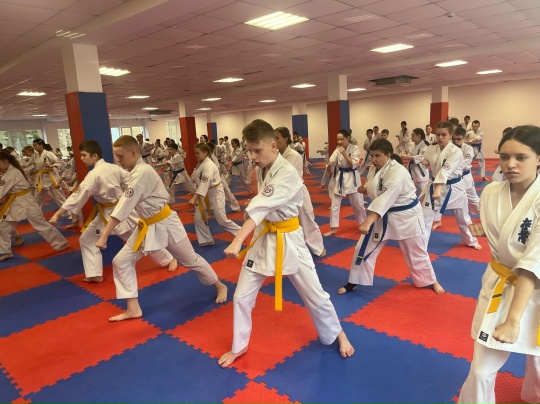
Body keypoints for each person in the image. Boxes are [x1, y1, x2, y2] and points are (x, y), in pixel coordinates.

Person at [219, 119, 354, 368]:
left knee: (316, 296)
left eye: (257, 150)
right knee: (241, 297)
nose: (252, 156)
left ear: (273, 145)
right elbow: (262, 207)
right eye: (250, 150)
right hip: (263, 236)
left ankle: (339, 334)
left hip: (289, 240)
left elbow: (261, 206)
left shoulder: (287, 173)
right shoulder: (262, 168)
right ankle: (239, 346)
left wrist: (238, 240)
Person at [95, 135, 228, 322]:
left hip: (165, 223)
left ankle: (220, 285)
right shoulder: (133, 171)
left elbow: (124, 204)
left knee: (190, 260)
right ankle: (133, 308)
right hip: (147, 225)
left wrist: (105, 234)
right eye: (116, 156)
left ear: (133, 153)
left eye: (120, 156)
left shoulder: (142, 172)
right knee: (121, 261)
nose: (118, 160)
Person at [458, 125, 540, 404]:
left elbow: (532, 263)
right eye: (504, 157)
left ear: (539, 158)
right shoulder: (492, 192)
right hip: (499, 283)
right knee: (481, 369)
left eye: (521, 157)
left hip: (535, 284)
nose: (510, 164)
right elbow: (507, 234)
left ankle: (534, 394)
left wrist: (513, 320)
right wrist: (490, 231)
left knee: (538, 358)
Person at [49, 140, 176, 283]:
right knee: (86, 239)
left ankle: (169, 259)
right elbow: (128, 181)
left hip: (121, 213)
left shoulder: (94, 174)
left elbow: (77, 196)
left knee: (142, 240)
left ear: (94, 156)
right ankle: (94, 273)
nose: (81, 158)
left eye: (84, 155)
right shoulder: (113, 168)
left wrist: (57, 214)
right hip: (106, 213)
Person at [338, 139, 444, 295]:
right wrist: (364, 190)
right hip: (382, 215)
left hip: (406, 217)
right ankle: (353, 281)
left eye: (378, 156)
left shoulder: (397, 172)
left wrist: (368, 222)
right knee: (363, 247)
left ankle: (431, 280)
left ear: (388, 155)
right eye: (372, 155)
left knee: (417, 252)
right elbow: (377, 188)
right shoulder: (375, 169)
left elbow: (386, 197)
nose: (374, 159)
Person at [420, 121, 481, 249]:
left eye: (444, 135)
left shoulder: (456, 151)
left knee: (463, 218)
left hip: (455, 188)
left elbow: (445, 170)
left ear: (450, 135)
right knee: (425, 218)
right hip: (434, 187)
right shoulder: (431, 148)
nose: (440, 137)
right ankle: (420, 247)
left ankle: (471, 240)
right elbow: (428, 159)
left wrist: (438, 188)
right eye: (438, 134)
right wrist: (425, 162)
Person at [0, 151, 69, 261]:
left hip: (26, 202)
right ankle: (6, 251)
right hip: (16, 202)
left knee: (40, 224)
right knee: (3, 226)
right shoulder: (10, 171)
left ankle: (61, 243)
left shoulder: (11, 173)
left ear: (5, 161)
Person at [275, 127, 325, 257]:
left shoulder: (294, 155)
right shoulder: (275, 155)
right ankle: (292, 250)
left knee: (307, 220)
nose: (274, 140)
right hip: (283, 193)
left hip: (297, 191)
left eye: (277, 138)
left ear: (285, 139)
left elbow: (287, 176)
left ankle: (318, 248)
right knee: (287, 223)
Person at [188, 142, 241, 246]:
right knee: (198, 218)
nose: (196, 155)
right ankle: (206, 239)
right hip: (205, 194)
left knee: (221, 220)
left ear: (205, 153)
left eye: (198, 153)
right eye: (195, 153)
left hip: (215, 193)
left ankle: (240, 233)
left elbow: (205, 182)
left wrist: (194, 197)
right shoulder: (201, 163)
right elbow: (197, 178)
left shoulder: (209, 165)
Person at [325, 129, 367, 236]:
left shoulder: (355, 148)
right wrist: (330, 165)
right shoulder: (337, 150)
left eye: (341, 139)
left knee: (358, 204)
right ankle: (333, 228)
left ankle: (364, 224)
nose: (339, 142)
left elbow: (353, 164)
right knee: (335, 204)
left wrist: (343, 153)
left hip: (352, 178)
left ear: (348, 138)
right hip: (340, 178)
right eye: (338, 139)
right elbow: (331, 163)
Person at [29, 138, 78, 228]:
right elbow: (29, 164)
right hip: (41, 180)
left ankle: (71, 213)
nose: (34, 147)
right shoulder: (34, 156)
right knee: (36, 199)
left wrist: (51, 165)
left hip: (51, 179)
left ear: (41, 145)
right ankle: (36, 215)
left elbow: (59, 162)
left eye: (35, 145)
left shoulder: (48, 154)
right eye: (33, 145)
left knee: (59, 198)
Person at [452, 127, 480, 215]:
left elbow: (463, 164)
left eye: (458, 139)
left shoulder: (468, 149)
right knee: (456, 199)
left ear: (464, 138)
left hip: (465, 177)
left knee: (473, 199)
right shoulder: (451, 148)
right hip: (454, 177)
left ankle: (485, 215)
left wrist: (450, 169)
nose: (456, 141)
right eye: (454, 139)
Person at [404, 128, 430, 196]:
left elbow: (421, 157)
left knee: (424, 193)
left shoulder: (424, 145)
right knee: (414, 192)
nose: (411, 137)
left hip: (421, 172)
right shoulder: (414, 144)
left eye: (413, 135)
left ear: (419, 136)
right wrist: (406, 155)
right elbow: (411, 154)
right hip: (414, 171)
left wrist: (406, 157)